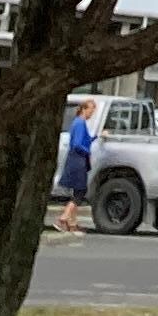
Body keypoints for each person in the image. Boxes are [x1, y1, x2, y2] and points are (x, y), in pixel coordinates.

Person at [53, 95, 95, 236]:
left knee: (77, 192)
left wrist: (96, 137)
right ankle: (63, 218)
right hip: (78, 161)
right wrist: (87, 150)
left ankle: (72, 223)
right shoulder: (80, 123)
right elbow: (77, 144)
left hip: (76, 160)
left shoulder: (78, 123)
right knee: (80, 191)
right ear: (83, 109)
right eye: (91, 110)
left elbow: (85, 140)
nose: (92, 113)